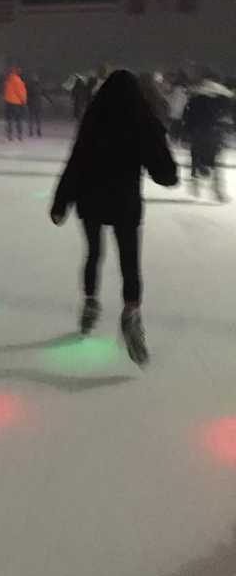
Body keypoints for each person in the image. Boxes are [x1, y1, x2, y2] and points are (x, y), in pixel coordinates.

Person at [50, 70, 178, 366]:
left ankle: (91, 304)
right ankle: (131, 311)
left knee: (94, 254)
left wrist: (61, 203)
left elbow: (76, 162)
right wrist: (166, 170)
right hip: (125, 203)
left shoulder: (93, 119)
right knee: (129, 261)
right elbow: (164, 168)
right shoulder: (141, 119)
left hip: (90, 201)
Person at [183, 70, 233, 202]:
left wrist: (187, 131)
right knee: (216, 161)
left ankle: (195, 182)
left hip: (198, 132)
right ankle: (217, 190)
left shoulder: (196, 97)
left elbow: (188, 116)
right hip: (216, 132)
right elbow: (229, 115)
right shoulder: (223, 98)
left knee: (196, 156)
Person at [3, 65, 27, 140]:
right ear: (17, 72)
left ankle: (10, 135)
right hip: (17, 103)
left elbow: (5, 92)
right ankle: (19, 135)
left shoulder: (7, 80)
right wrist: (23, 101)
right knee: (18, 119)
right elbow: (20, 92)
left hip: (8, 102)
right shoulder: (18, 80)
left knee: (10, 119)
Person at [26, 73, 50, 137]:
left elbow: (26, 95)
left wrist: (26, 102)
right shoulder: (40, 86)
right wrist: (50, 100)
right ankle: (38, 131)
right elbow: (45, 94)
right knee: (37, 119)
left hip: (32, 105)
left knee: (31, 118)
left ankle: (32, 131)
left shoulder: (29, 86)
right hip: (38, 104)